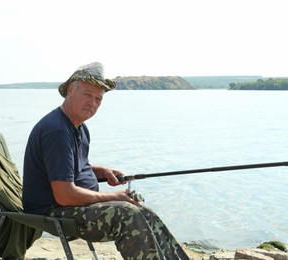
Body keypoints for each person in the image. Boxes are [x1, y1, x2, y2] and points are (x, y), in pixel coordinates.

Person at [22, 62, 189, 259]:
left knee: (143, 211)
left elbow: (72, 167)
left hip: (73, 207)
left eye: (98, 99)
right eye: (87, 94)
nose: (92, 103)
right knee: (127, 214)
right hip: (53, 212)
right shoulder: (57, 130)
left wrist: (103, 172)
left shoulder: (79, 127)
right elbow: (64, 195)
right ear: (70, 90)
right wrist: (113, 197)